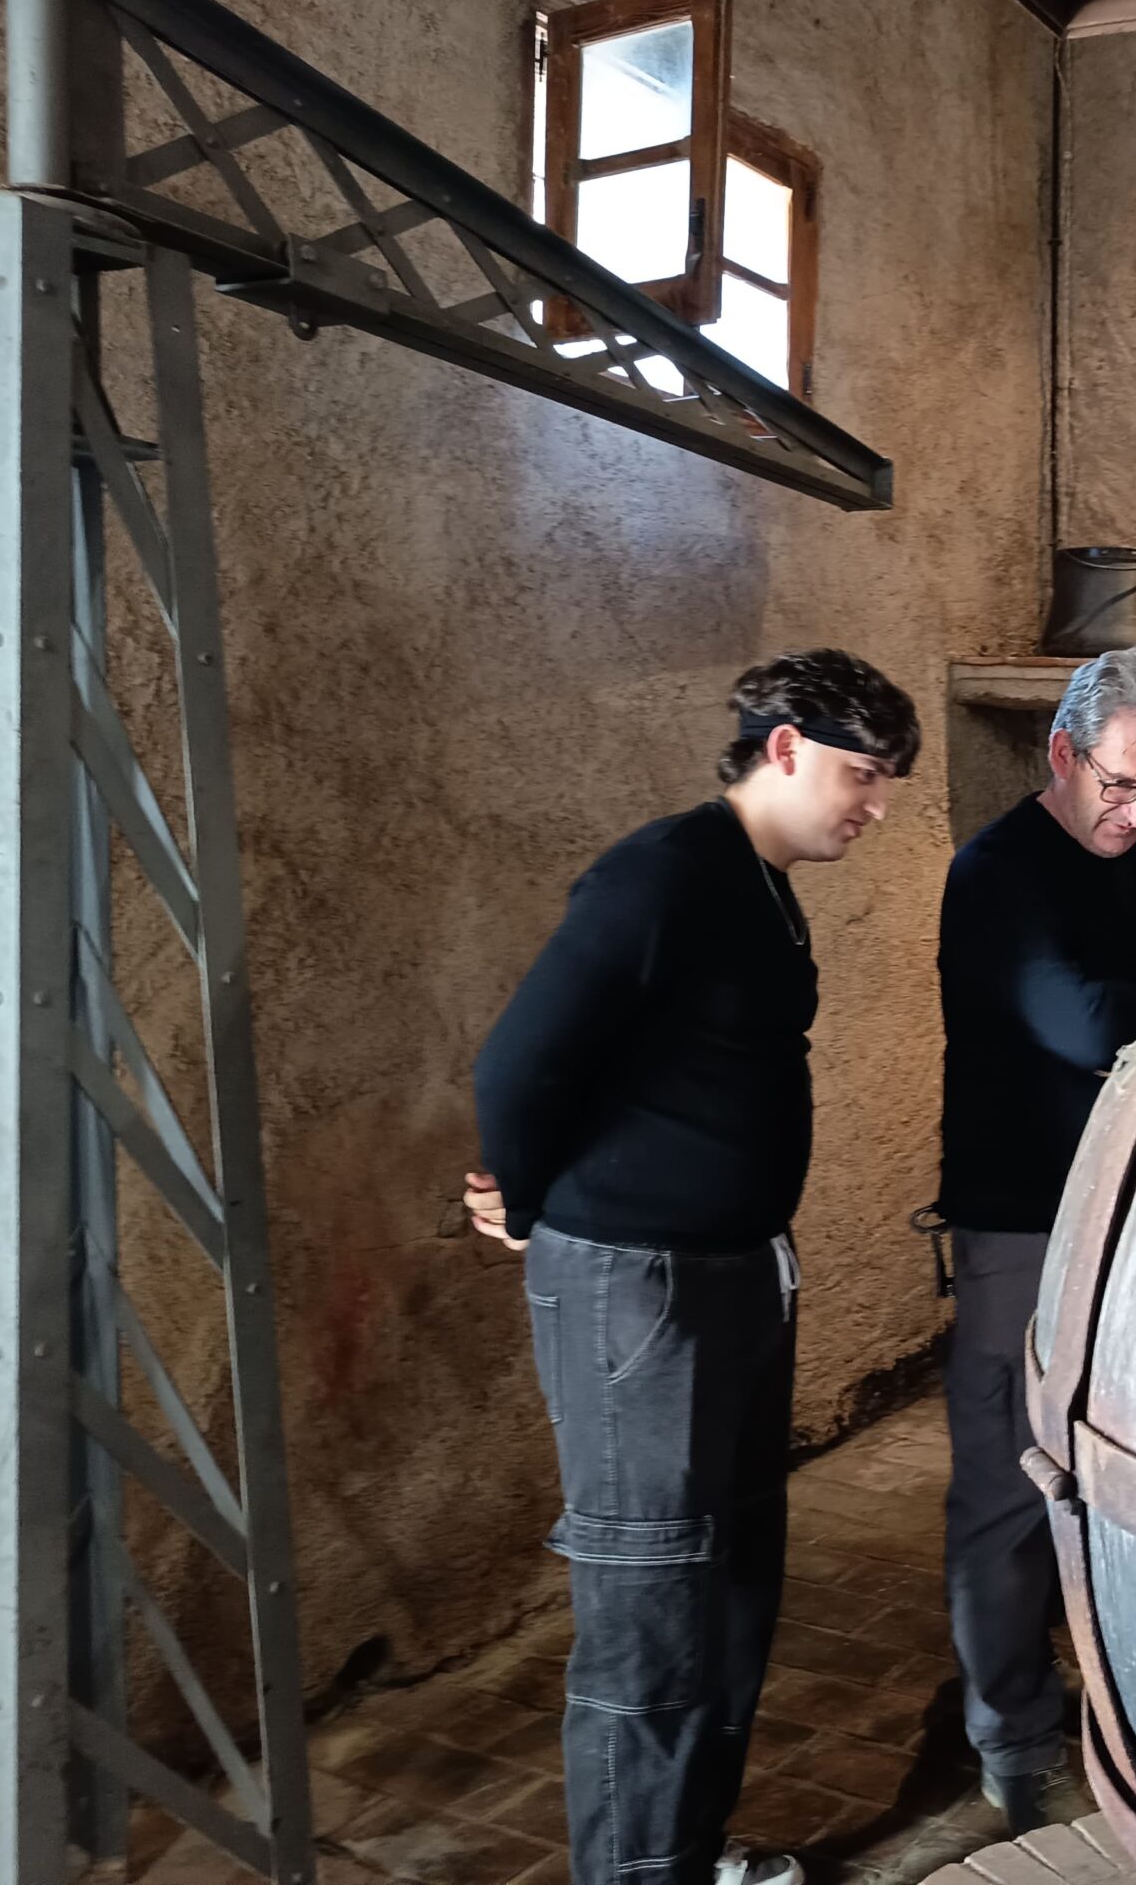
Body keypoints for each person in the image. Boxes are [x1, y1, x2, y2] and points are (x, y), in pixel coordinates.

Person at [465, 649, 921, 1885]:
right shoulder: (662, 873)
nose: (878, 805)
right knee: (652, 1611)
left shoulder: (760, 884)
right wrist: (530, 1205)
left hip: (730, 1276)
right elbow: (518, 1064)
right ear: (785, 749)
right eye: (864, 775)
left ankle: (685, 1850)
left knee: (728, 1589)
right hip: (638, 1291)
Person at [933, 647, 1136, 1831]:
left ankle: (1127, 1699)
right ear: (1063, 753)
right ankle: (1012, 1730)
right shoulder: (997, 873)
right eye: (1119, 785)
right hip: (1026, 1216)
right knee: (1008, 1479)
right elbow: (1078, 1025)